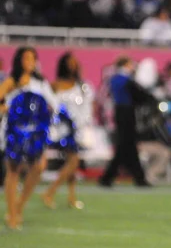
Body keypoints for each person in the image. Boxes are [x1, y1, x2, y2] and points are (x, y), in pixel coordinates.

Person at [0, 47, 58, 229]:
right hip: (14, 131)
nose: (30, 62)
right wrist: (10, 106)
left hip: (35, 133)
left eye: (33, 58)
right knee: (13, 170)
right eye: (26, 58)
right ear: (18, 61)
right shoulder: (12, 81)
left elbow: (54, 104)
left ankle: (19, 206)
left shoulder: (41, 83)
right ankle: (12, 214)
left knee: (39, 167)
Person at [42, 52, 95, 210]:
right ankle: (50, 192)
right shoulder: (55, 85)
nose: (73, 66)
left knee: (72, 162)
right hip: (59, 130)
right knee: (73, 162)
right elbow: (50, 106)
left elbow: (87, 107)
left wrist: (82, 123)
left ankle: (71, 197)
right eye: (70, 63)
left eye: (75, 63)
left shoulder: (82, 86)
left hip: (75, 129)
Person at [98, 56, 156, 187]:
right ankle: (108, 177)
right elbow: (140, 96)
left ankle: (138, 178)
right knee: (124, 146)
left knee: (128, 146)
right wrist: (151, 100)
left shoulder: (114, 79)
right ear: (125, 65)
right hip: (126, 113)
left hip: (120, 112)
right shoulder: (126, 80)